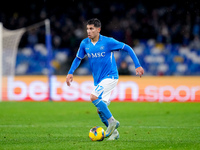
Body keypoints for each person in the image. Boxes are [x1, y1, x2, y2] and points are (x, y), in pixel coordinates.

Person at [66, 18, 144, 140]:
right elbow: (78, 58)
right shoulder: (84, 43)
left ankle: (112, 121)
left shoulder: (108, 42)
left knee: (93, 97)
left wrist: (137, 65)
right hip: (98, 80)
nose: (88, 31)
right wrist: (70, 72)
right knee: (100, 110)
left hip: (110, 76)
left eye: (91, 29)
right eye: (87, 28)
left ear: (98, 29)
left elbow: (128, 48)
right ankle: (114, 133)